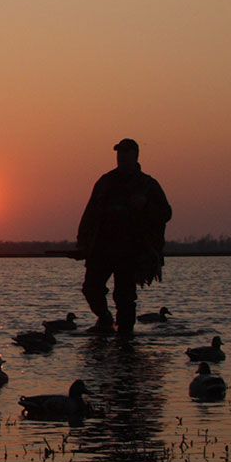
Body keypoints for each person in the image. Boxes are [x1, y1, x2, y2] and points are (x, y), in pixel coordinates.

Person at [76, 138, 172, 335]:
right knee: (91, 288)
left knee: (124, 296)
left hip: (132, 249)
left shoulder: (148, 185)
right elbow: (90, 213)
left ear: (135, 156)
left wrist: (145, 204)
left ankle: (125, 335)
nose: (121, 157)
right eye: (119, 153)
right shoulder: (105, 182)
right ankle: (105, 319)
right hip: (102, 247)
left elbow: (166, 213)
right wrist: (82, 242)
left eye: (126, 153)